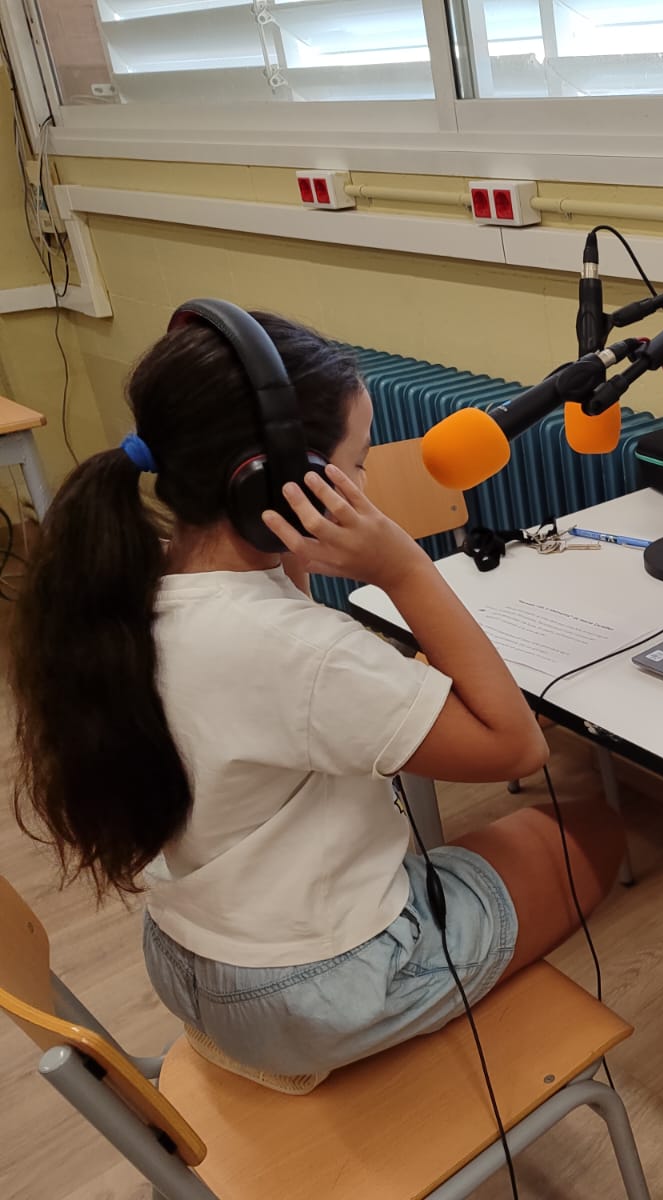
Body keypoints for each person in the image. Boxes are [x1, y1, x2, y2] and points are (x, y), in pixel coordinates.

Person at [9, 310, 625, 1085]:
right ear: (271, 484)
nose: (364, 487)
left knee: (494, 846)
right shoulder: (301, 651)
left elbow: (279, 662)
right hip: (315, 992)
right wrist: (404, 569)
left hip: (190, 960)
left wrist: (291, 548)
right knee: (593, 829)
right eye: (356, 464)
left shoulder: (124, 586)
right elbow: (518, 746)